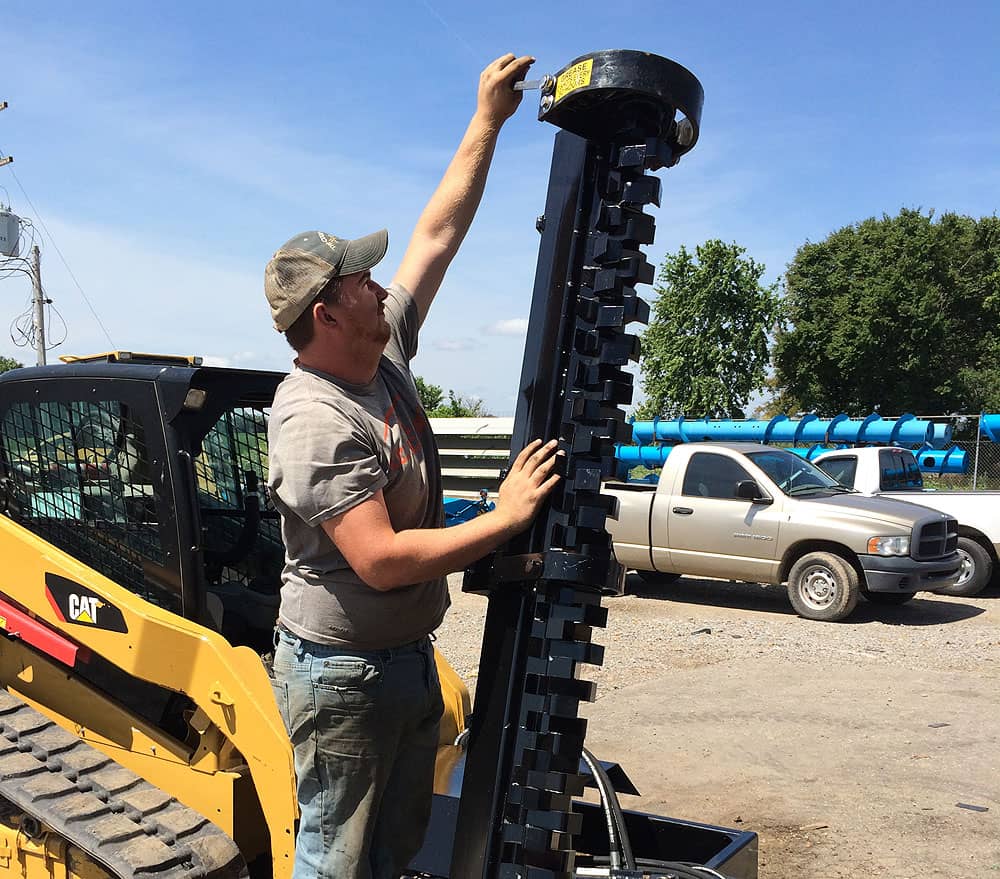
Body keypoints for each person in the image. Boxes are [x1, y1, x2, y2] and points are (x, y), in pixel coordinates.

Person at [262, 53, 561, 879]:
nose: (378, 287)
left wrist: (486, 120)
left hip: (403, 656)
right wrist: (503, 519)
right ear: (327, 314)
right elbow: (381, 558)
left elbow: (436, 234)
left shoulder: (381, 346)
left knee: (393, 853)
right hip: (341, 675)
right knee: (335, 857)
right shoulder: (314, 418)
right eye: (361, 281)